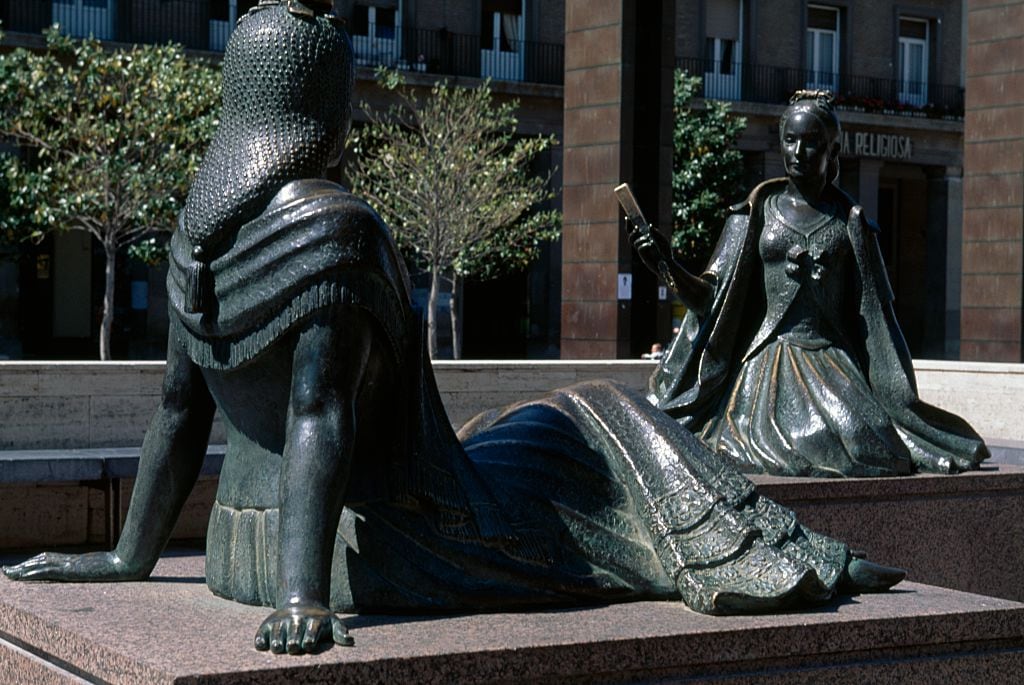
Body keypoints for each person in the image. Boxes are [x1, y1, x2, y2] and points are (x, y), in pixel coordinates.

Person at [3, 9, 902, 656]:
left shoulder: (199, 242)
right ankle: (802, 554)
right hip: (383, 554)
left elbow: (176, 412)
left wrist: (128, 558)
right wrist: (304, 599)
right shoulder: (335, 231)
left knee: (543, 425)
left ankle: (799, 550)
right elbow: (320, 413)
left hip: (240, 553)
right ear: (327, 104)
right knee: (600, 418)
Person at [632, 90, 988, 478]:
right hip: (767, 365)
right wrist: (666, 266)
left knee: (866, 441)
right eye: (790, 139)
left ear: (832, 152)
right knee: (776, 444)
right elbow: (710, 300)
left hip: (831, 359)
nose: (799, 151)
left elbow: (876, 314)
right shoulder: (753, 215)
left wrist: (902, 398)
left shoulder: (851, 224)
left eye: (812, 142)